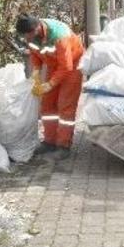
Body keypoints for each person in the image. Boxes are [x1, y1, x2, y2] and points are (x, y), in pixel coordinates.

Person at [15, 13, 84, 157]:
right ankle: (49, 141)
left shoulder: (60, 36)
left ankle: (63, 145)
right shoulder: (31, 36)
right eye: (24, 35)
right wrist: (36, 71)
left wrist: (50, 84)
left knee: (65, 105)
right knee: (47, 103)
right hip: (54, 65)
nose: (26, 38)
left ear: (37, 28)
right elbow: (35, 53)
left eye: (28, 34)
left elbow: (66, 66)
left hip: (73, 65)